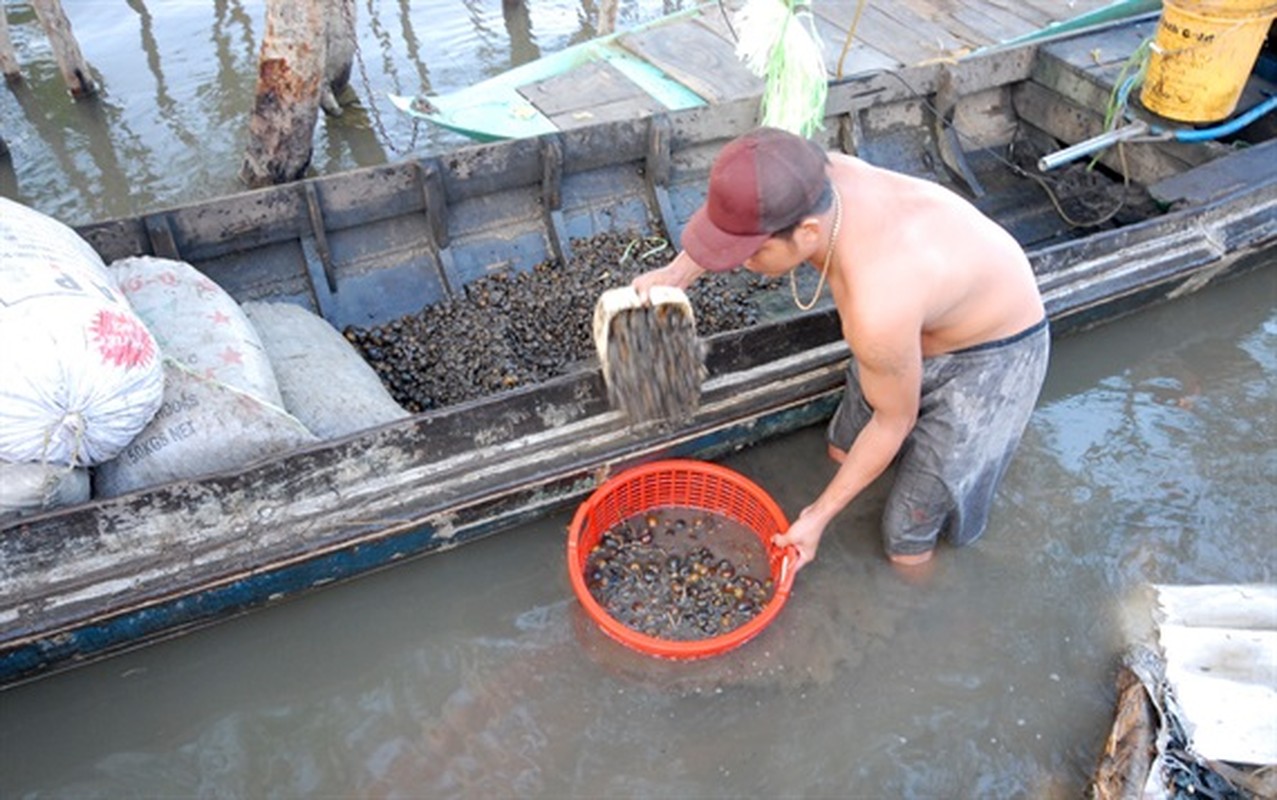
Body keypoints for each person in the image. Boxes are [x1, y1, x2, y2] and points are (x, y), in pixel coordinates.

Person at [633, 127, 1049, 571]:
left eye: (750, 254)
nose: (740, 263)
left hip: (994, 354)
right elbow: (734, 215)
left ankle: (914, 600)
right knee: (842, 447)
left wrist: (818, 516)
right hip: (917, 323)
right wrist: (677, 273)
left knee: (907, 535)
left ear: (807, 233)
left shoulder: (877, 306)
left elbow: (894, 420)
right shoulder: (811, 179)